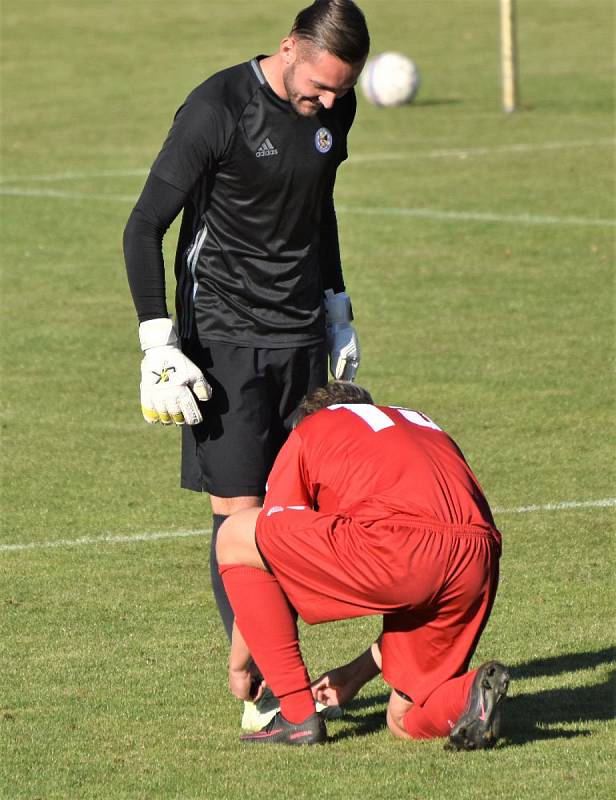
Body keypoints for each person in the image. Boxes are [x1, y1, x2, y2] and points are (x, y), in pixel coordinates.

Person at [122, 0, 370, 659]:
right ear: (288, 47)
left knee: (291, 512)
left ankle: (274, 666)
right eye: (319, 84)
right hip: (222, 335)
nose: (326, 100)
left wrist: (336, 305)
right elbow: (144, 225)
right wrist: (157, 345)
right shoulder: (218, 107)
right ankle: (260, 679)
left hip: (300, 335)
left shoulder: (335, 108)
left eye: (340, 90)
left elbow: (318, 208)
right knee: (239, 511)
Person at [216, 381, 510, 747]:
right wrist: (356, 675)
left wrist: (240, 666)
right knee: (403, 720)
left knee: (235, 534)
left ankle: (296, 715)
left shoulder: (311, 429)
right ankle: (470, 694)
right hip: (477, 557)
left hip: (398, 545)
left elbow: (263, 550)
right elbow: (430, 564)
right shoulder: (417, 422)